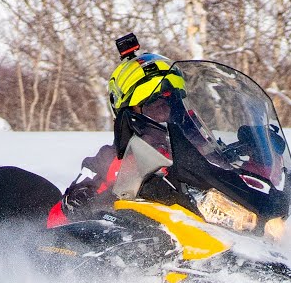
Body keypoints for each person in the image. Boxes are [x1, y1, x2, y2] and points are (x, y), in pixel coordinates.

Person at [46, 33, 189, 227]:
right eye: (151, 103)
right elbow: (60, 216)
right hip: (147, 237)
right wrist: (79, 199)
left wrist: (238, 156)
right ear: (129, 112)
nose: (162, 110)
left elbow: (213, 163)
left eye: (168, 101)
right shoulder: (116, 159)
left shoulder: (191, 139)